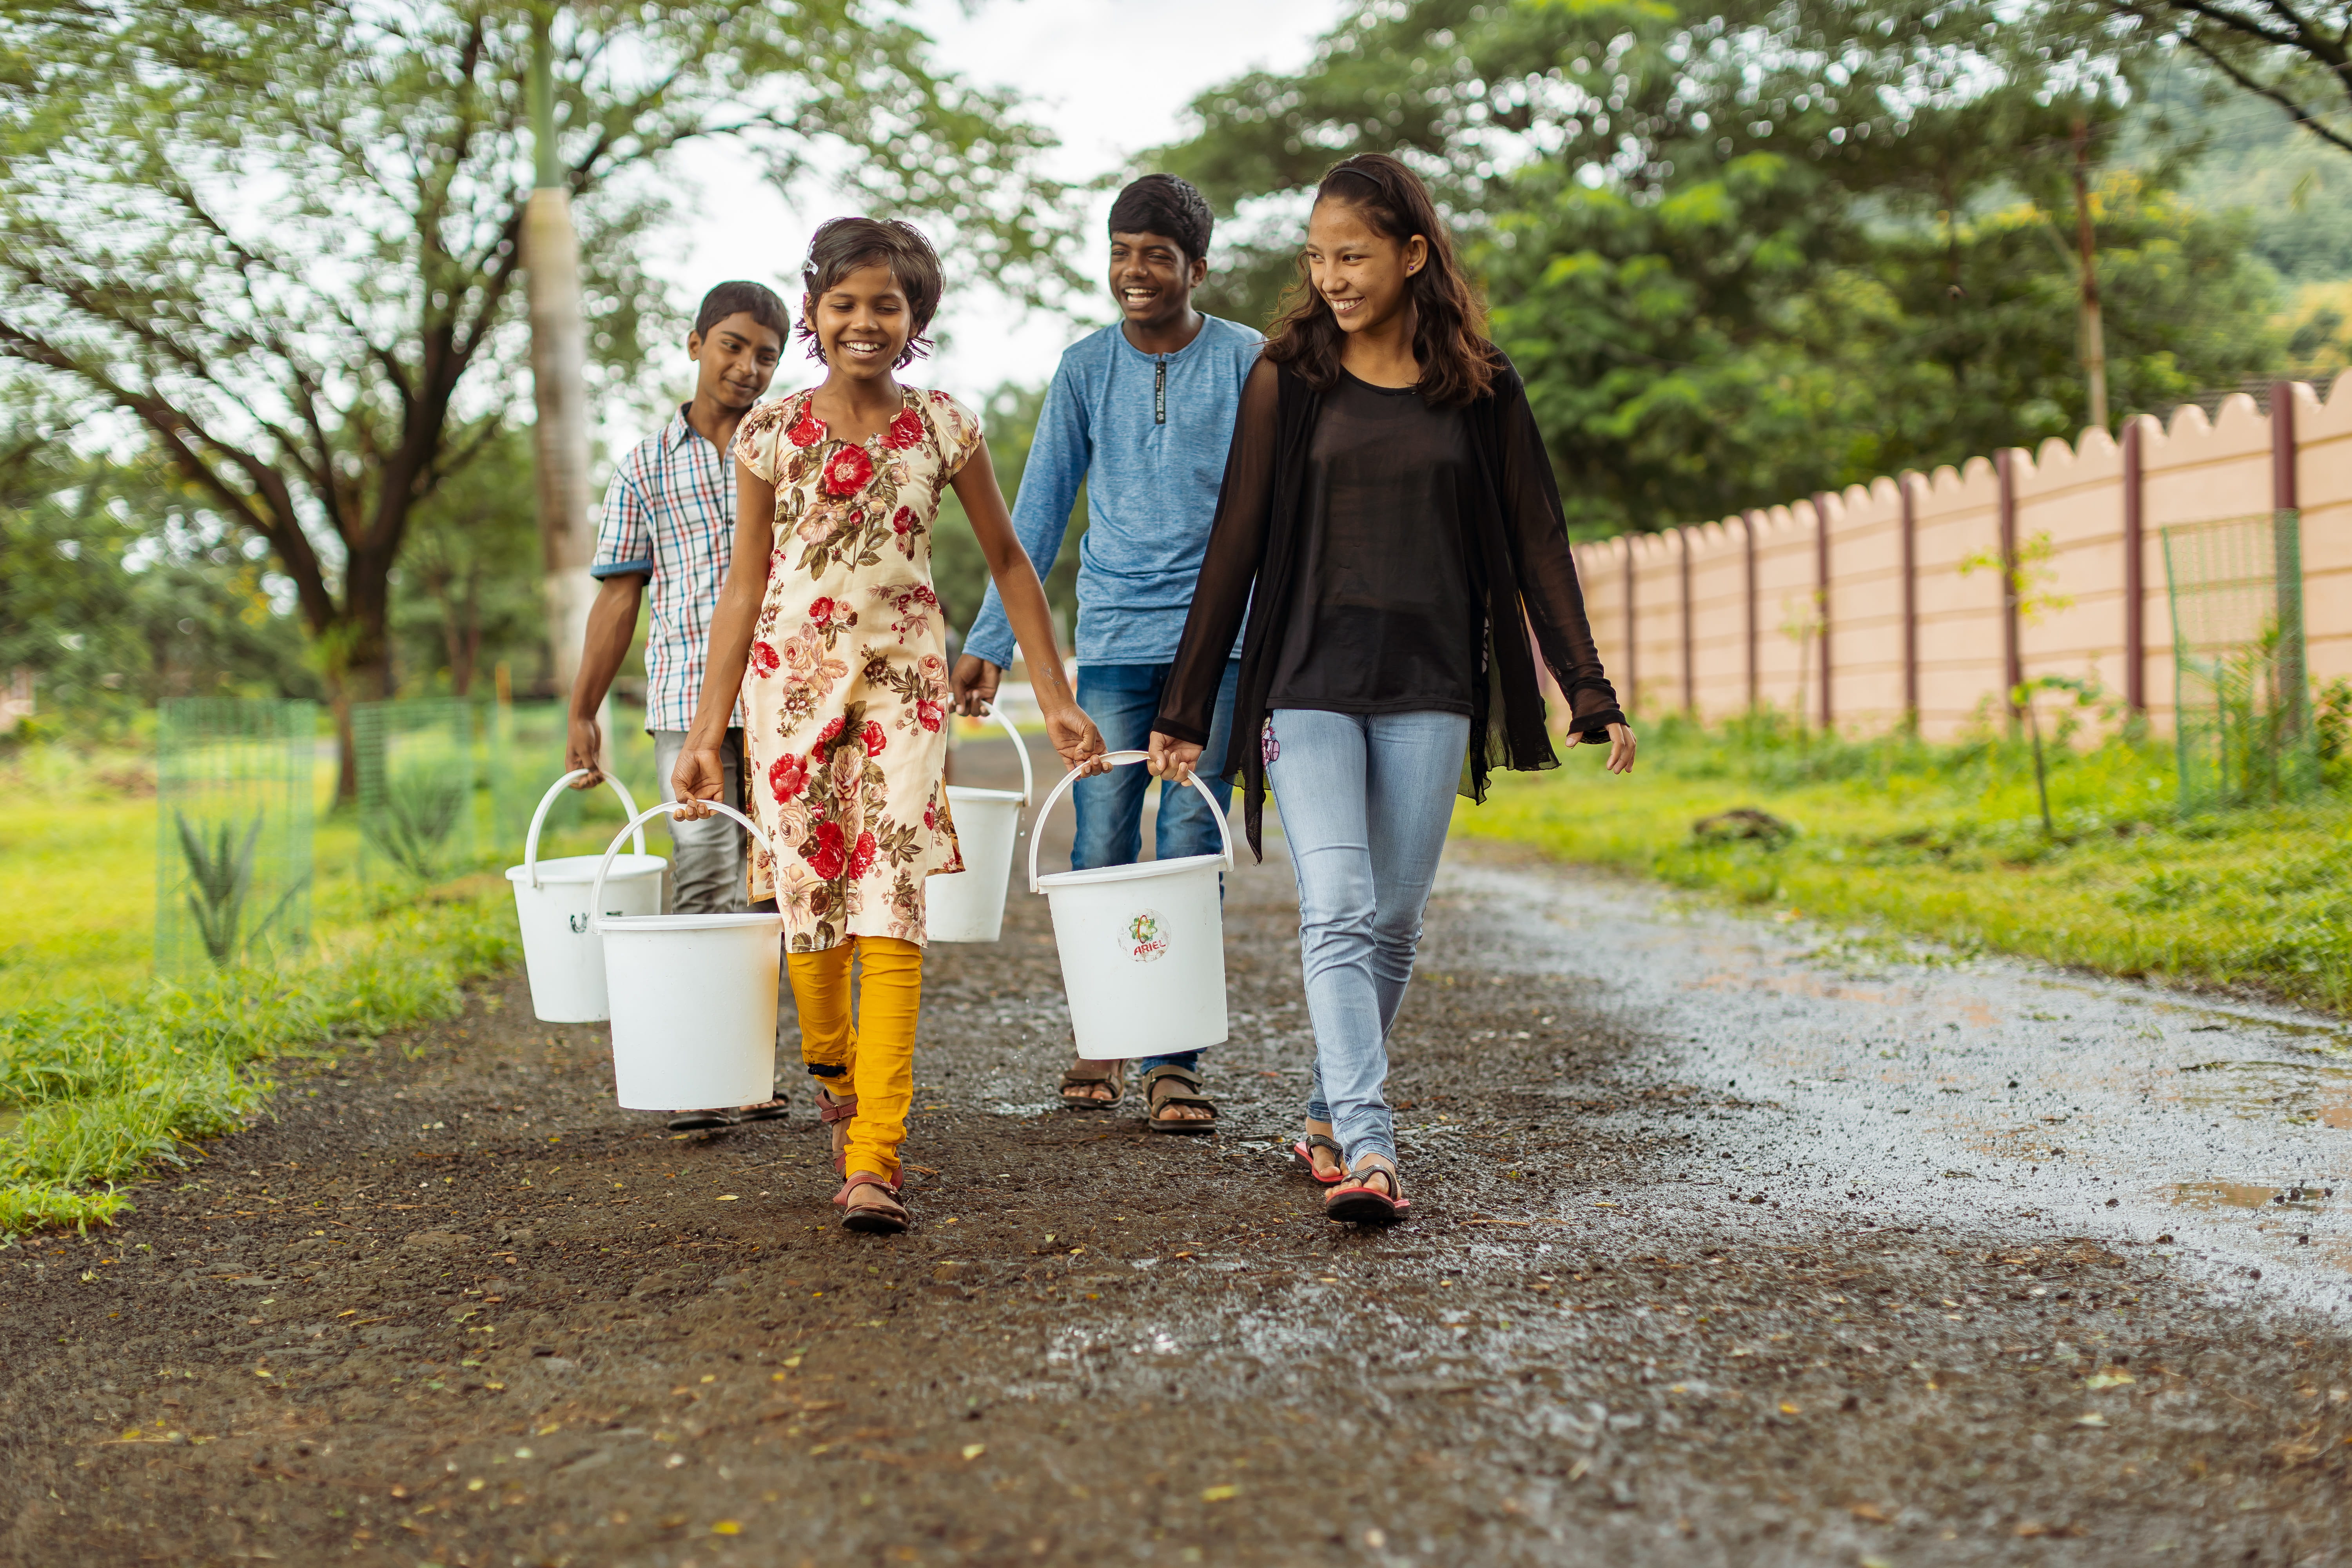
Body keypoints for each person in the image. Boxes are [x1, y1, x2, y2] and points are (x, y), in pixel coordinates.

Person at [1147, 153, 1637, 1223]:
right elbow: (1236, 542)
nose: (1333, 277)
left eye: (1355, 256)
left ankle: (1327, 1113)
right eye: (1318, 258)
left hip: (1430, 683)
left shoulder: (1483, 387)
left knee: (1397, 923)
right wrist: (1188, 706)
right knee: (1341, 908)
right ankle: (1371, 1148)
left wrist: (1587, 688)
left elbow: (1537, 543)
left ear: (1414, 256)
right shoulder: (1291, 377)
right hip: (1308, 679)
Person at [671, 217, 1105, 1234]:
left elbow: (1009, 561)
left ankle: (876, 1153)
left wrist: (1053, 695)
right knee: (812, 904)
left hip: (908, 692)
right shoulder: (770, 433)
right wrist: (704, 730)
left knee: (891, 902)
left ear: (914, 320)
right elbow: (743, 589)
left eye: (886, 305)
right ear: (817, 313)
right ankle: (833, 1077)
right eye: (845, 304)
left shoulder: (946, 426)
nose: (864, 321)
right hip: (787, 691)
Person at [952, 173, 1259, 1132]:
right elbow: (1034, 512)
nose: (1135, 271)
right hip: (1118, 637)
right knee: (1097, 839)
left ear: (1195, 268)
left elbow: (1276, 510)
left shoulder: (1250, 361)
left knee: (1188, 838)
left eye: (1157, 256)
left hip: (1223, 645)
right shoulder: (1086, 367)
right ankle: (1103, 1028)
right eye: (1122, 251)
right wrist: (991, 641)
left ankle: (1173, 1055)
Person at [569, 280, 790, 1132]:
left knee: (773, 884)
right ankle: (701, 1069)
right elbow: (619, 597)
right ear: (695, 342)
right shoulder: (646, 463)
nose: (747, 367)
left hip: (784, 696)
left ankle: (750, 1067)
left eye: (766, 355)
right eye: (732, 345)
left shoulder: (787, 443)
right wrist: (583, 709)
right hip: (685, 702)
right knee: (703, 875)